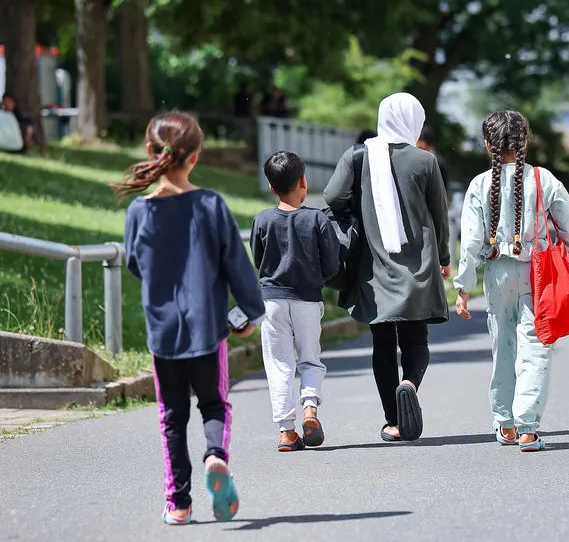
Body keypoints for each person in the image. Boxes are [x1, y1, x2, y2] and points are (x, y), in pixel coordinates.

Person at [115, 111, 265, 525]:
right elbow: (238, 268)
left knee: (172, 416)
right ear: (195, 156)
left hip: (163, 333)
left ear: (151, 151)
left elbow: (134, 264)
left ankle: (179, 503)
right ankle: (215, 456)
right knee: (214, 404)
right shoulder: (210, 204)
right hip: (208, 329)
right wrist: (246, 316)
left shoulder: (139, 211)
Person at [324, 93, 450, 443]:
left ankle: (394, 421)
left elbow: (332, 197)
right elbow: (440, 216)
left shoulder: (358, 155)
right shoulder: (426, 161)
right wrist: (443, 258)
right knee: (416, 338)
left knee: (382, 343)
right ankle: (410, 383)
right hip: (417, 266)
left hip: (373, 267)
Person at [453, 110, 569, 453]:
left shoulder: (480, 184)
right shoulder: (543, 178)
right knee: (536, 345)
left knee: (503, 345)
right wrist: (565, 249)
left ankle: (505, 423)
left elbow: (471, 241)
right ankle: (528, 427)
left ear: (487, 144)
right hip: (537, 272)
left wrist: (463, 286)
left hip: (497, 273)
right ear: (526, 141)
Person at [251, 151, 340, 452]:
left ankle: (286, 432)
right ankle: (310, 409)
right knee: (310, 358)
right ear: (303, 181)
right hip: (308, 300)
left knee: (279, 364)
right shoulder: (317, 219)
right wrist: (319, 278)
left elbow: (258, 259)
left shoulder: (262, 220)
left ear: (271, 187)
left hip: (272, 302)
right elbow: (332, 264)